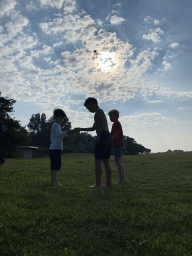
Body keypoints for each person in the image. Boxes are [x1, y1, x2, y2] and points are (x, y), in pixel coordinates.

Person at [75, 97, 112, 189]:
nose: (88, 110)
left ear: (93, 104)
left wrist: (98, 136)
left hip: (103, 136)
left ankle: (98, 185)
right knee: (106, 161)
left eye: (88, 108)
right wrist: (80, 129)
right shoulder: (100, 112)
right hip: (107, 136)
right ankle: (108, 184)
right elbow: (93, 128)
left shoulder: (98, 111)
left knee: (98, 161)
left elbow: (102, 125)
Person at [49, 109, 77, 186]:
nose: (62, 119)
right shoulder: (56, 125)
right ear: (56, 117)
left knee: (54, 166)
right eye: (61, 118)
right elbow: (59, 134)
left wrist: (66, 133)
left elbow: (59, 135)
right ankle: (54, 182)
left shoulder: (55, 125)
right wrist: (69, 131)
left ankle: (53, 181)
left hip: (54, 148)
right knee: (55, 166)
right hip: (55, 149)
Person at [108, 109, 125, 184]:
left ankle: (121, 180)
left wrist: (110, 140)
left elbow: (116, 134)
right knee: (118, 161)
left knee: (118, 161)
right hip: (117, 144)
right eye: (109, 117)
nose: (110, 118)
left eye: (111, 116)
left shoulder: (116, 124)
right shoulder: (116, 123)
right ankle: (121, 179)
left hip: (118, 144)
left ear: (117, 116)